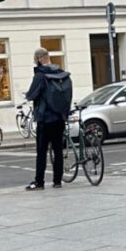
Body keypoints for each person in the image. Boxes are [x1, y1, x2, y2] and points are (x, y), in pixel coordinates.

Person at [24, 47, 73, 190]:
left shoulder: (40, 75)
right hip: (59, 117)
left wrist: (27, 95)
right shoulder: (61, 73)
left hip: (45, 118)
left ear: (39, 59)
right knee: (58, 149)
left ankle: (39, 182)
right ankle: (57, 181)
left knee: (41, 151)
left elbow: (32, 94)